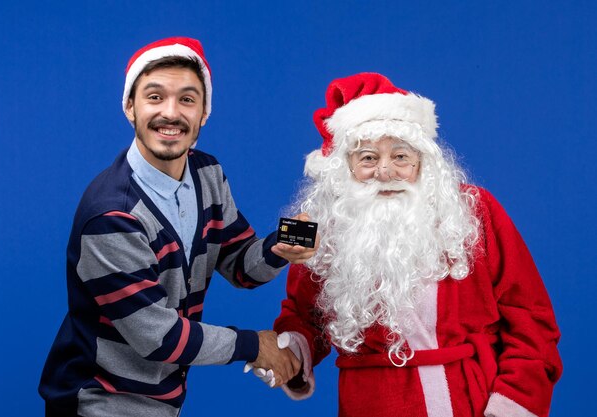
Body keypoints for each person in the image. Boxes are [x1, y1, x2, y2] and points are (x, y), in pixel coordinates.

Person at [255, 73, 562, 417]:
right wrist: (290, 353)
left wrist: (512, 404)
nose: (385, 171)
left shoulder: (474, 211)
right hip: (367, 404)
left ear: (423, 161)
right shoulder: (323, 226)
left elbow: (531, 319)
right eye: (368, 158)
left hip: (469, 402)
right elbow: (304, 318)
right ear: (345, 168)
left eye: (401, 156)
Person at [38, 37, 311, 417]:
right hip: (100, 403)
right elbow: (158, 337)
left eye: (186, 99)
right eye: (154, 97)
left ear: (204, 112)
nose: (171, 113)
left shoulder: (207, 173)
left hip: (161, 401)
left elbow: (239, 266)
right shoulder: (112, 215)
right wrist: (254, 345)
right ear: (130, 107)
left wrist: (282, 245)